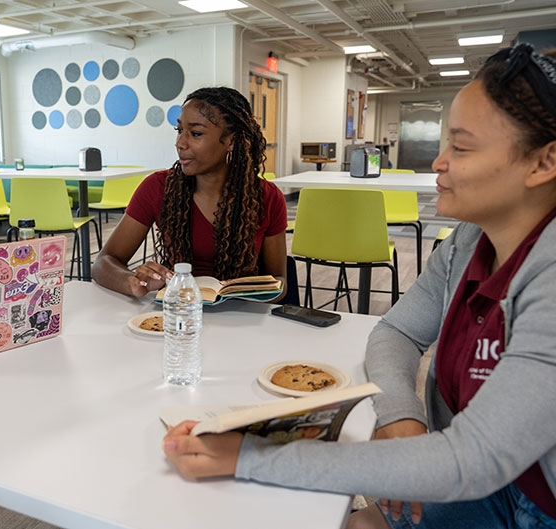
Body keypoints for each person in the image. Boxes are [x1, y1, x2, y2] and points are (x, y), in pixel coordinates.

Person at [163, 43, 556, 529]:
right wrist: (399, 414)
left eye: (462, 146)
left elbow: (467, 461)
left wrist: (246, 456)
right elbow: (397, 333)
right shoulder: (468, 242)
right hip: (496, 489)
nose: (438, 162)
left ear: (544, 163)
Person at [91, 86, 287, 298]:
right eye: (179, 131)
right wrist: (132, 282)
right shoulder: (158, 188)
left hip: (244, 315)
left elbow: (279, 280)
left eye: (195, 133)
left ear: (231, 141)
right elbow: (104, 262)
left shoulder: (268, 197)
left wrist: (252, 293)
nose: (180, 143)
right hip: (178, 314)